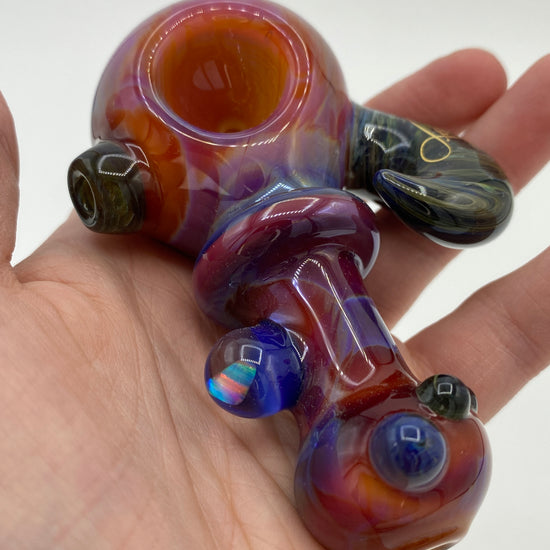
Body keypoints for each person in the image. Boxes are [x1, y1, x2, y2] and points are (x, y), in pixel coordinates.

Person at [0, 49, 548, 549]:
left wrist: (242, 371)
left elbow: (233, 377)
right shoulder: (318, 117)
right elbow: (233, 378)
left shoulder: (317, 109)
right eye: (446, 402)